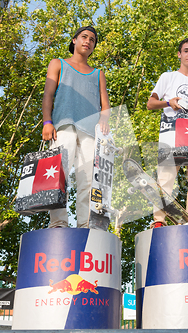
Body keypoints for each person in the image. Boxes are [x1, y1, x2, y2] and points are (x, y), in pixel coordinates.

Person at [41, 26, 111, 229]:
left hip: (90, 132)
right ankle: (58, 223)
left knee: (88, 180)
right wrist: (47, 121)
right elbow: (48, 95)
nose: (88, 41)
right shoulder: (58, 64)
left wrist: (104, 120)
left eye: (92, 40)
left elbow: (105, 106)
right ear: (74, 40)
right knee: (58, 174)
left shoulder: (98, 74)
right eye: (84, 37)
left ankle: (85, 224)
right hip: (63, 126)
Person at [146, 38, 188, 227]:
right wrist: (169, 103)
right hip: (171, 132)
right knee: (165, 179)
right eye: (185, 51)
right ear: (179, 54)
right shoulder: (167, 77)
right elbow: (151, 103)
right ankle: (159, 221)